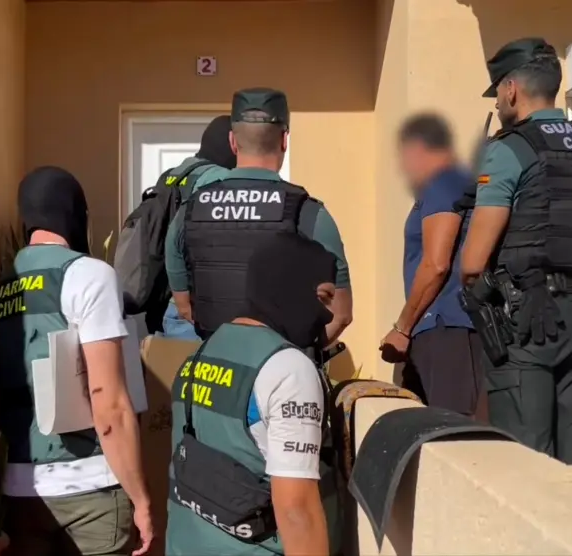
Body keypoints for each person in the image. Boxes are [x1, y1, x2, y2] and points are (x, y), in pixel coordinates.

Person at [459, 38, 572, 464]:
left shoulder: (510, 149)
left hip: (529, 320)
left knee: (527, 466)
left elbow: (472, 264)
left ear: (511, 89)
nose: (497, 103)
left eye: (498, 92)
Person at [0, 166, 154, 555]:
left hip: (20, 493)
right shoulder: (89, 275)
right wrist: (142, 499)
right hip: (92, 491)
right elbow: (109, 404)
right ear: (76, 213)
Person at [165, 232, 341, 556]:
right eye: (322, 297)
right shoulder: (288, 368)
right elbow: (297, 510)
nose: (328, 315)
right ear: (289, 286)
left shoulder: (200, 354)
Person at [164, 87, 353, 344]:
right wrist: (296, 355)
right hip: (281, 364)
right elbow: (341, 315)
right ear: (284, 140)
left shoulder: (189, 211)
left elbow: (185, 309)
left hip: (215, 362)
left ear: (233, 141)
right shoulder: (309, 214)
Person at [379, 113, 485, 419]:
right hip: (435, 329)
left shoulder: (445, 183)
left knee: (451, 431)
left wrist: (402, 328)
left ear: (417, 150)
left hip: (448, 330)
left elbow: (437, 264)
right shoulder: (444, 185)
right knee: (422, 429)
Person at [160, 116, 238, 340]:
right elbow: (175, 236)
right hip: (194, 311)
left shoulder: (174, 175)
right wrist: (184, 304)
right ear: (231, 144)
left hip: (167, 304)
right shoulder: (219, 179)